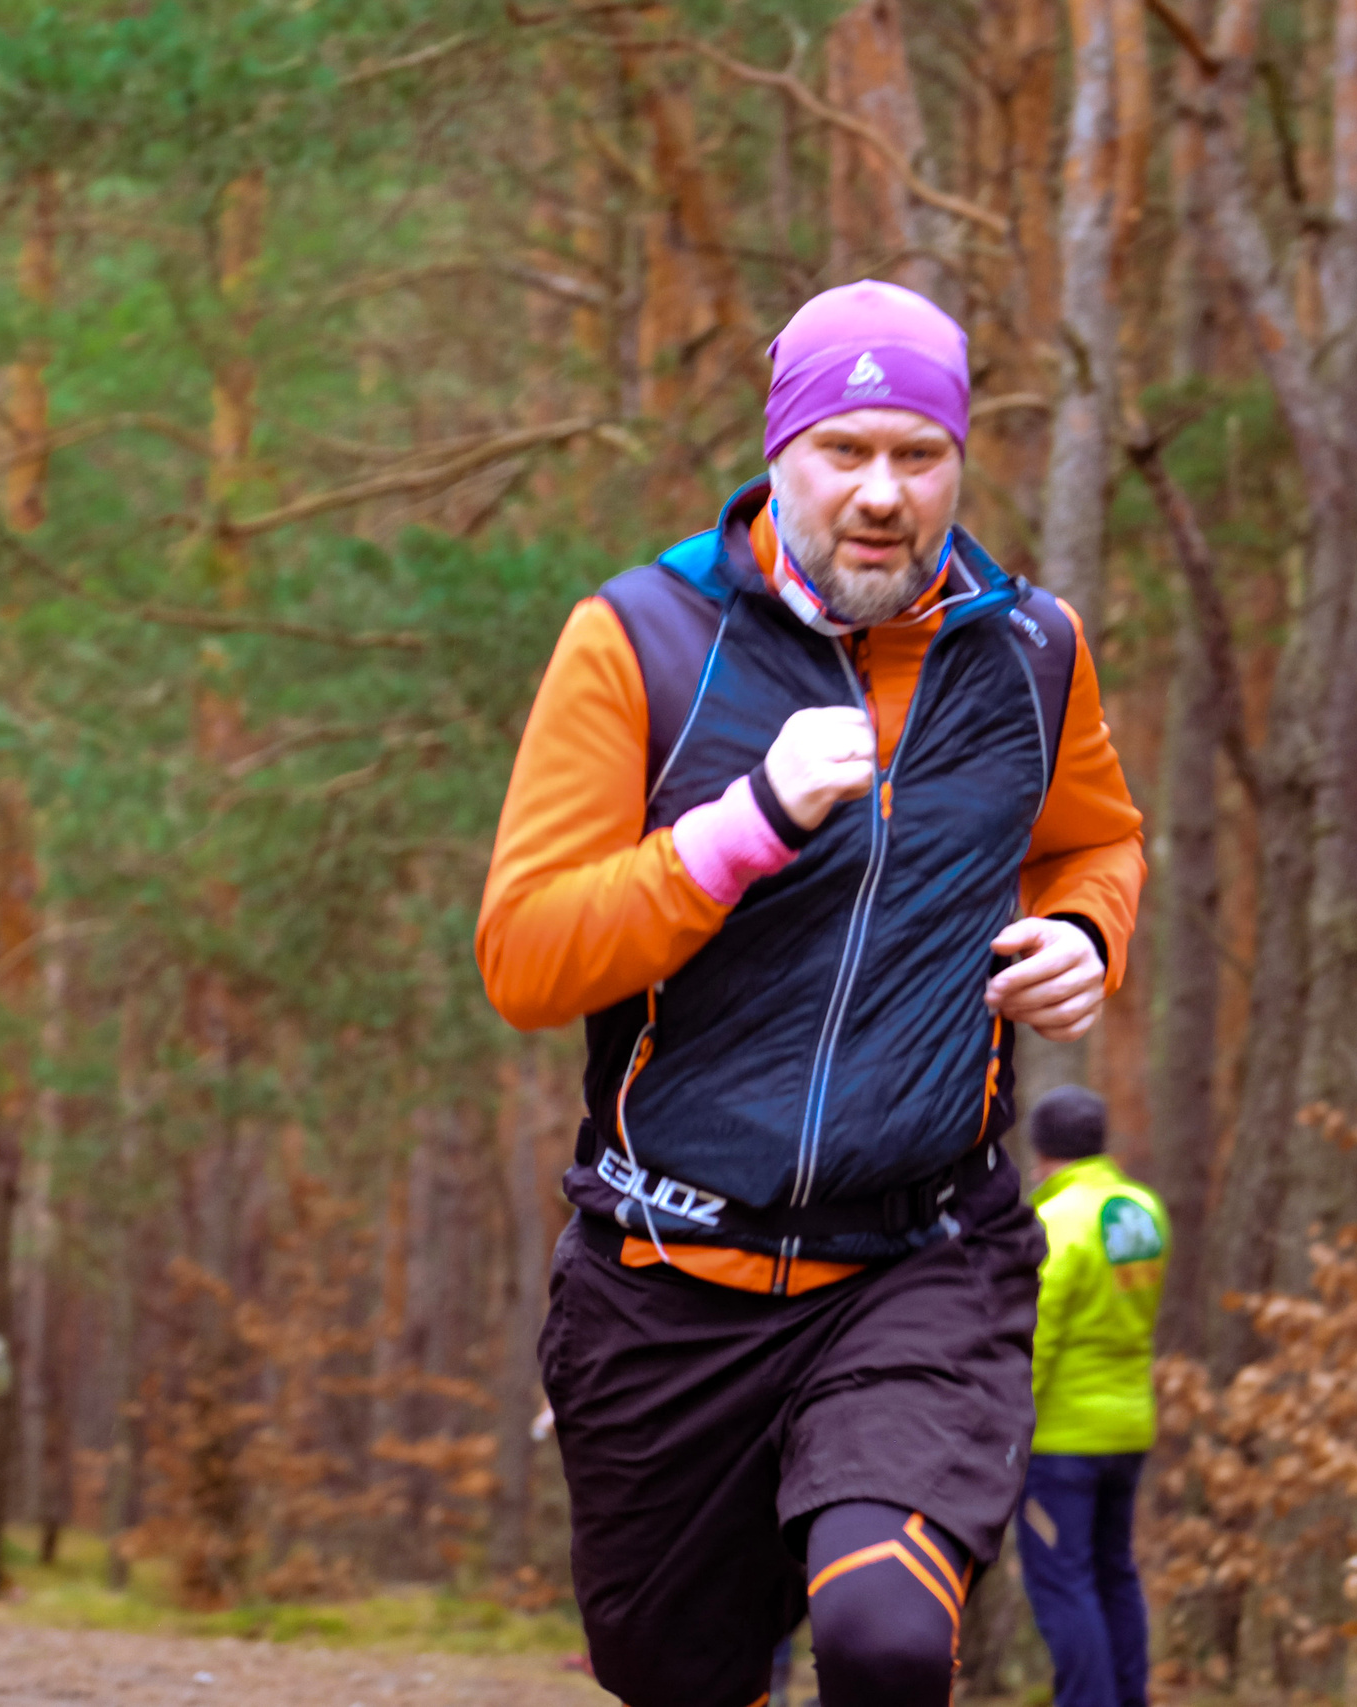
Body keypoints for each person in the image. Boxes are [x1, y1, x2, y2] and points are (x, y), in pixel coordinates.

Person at [477, 279, 1145, 1707]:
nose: (884, 494)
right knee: (678, 1674)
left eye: (920, 454)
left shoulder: (1031, 648)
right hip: (666, 1284)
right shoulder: (644, 638)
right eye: (847, 451)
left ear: (961, 459)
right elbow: (526, 955)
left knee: (887, 1639)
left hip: (917, 1264)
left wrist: (1086, 928)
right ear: (780, 453)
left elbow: (1096, 833)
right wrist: (743, 828)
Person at [1016, 1088, 1168, 1707]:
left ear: (1040, 1150)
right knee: (1115, 1574)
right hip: (1129, 1426)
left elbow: (1034, 1337)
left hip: (1062, 1439)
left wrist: (1004, 1423)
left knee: (1065, 1585)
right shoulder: (1141, 1209)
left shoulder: (1055, 1223)